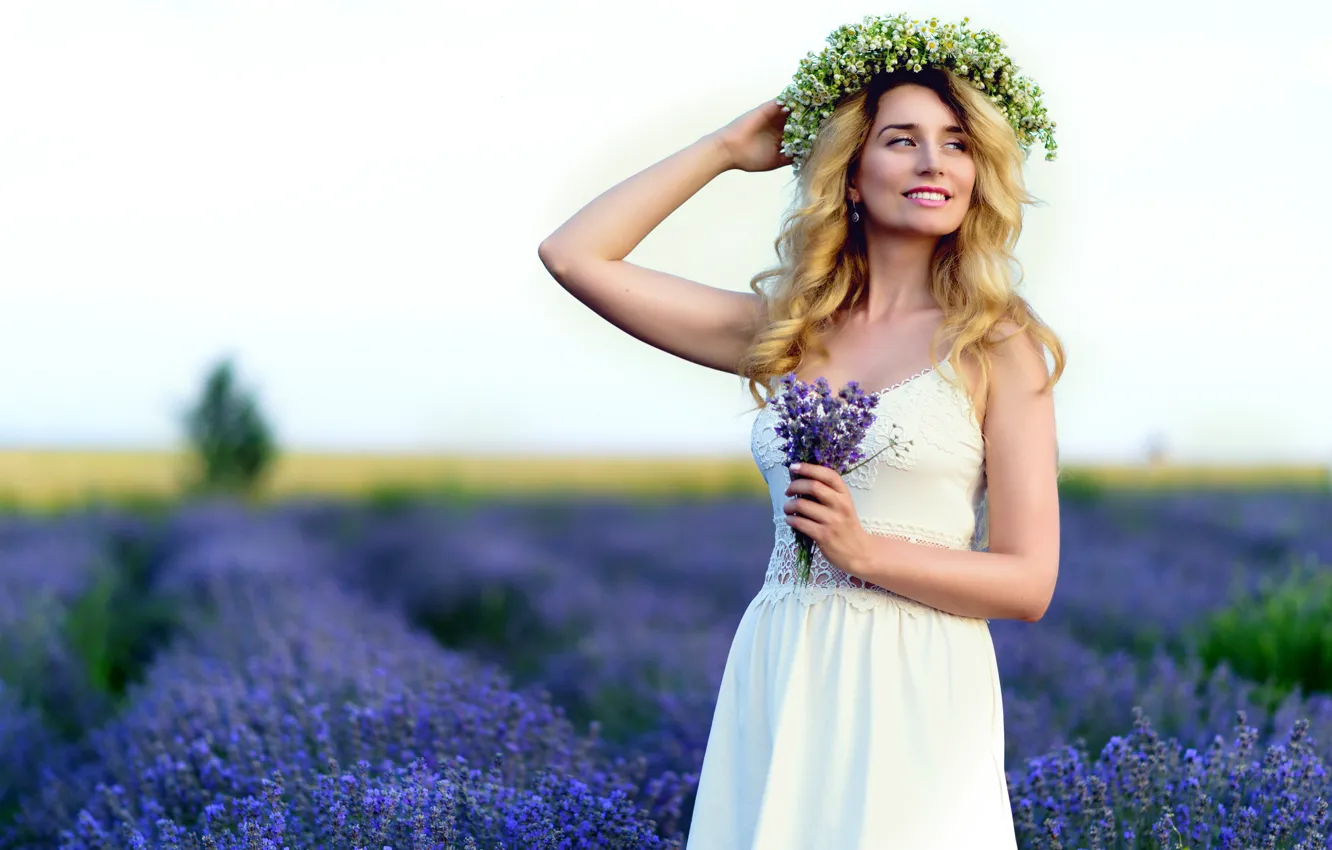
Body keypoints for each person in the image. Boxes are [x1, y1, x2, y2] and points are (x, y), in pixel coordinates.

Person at [538, 19, 1064, 848]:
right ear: (851, 176)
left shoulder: (997, 346)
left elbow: (1030, 583)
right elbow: (575, 256)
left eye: (957, 144)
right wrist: (720, 149)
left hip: (921, 684)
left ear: (977, 175)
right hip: (783, 665)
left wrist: (866, 553)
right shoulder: (789, 334)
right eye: (902, 140)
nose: (933, 161)